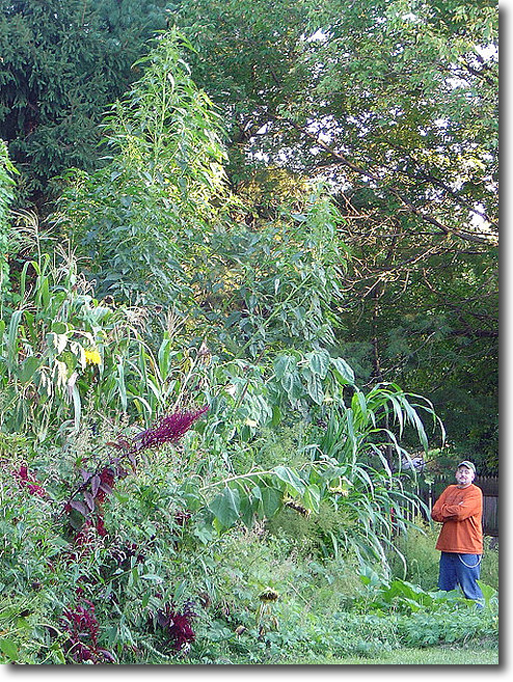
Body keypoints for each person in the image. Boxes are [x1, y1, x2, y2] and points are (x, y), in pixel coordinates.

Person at [431, 461, 483, 602]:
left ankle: (478, 620)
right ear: (456, 474)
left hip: (468, 549)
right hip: (447, 547)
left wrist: (446, 509)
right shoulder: (449, 490)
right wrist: (453, 509)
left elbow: (461, 513)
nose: (463, 475)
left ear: (473, 476)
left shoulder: (475, 492)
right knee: (445, 591)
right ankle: (446, 619)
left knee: (471, 591)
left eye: (467, 472)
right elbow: (435, 513)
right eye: (460, 471)